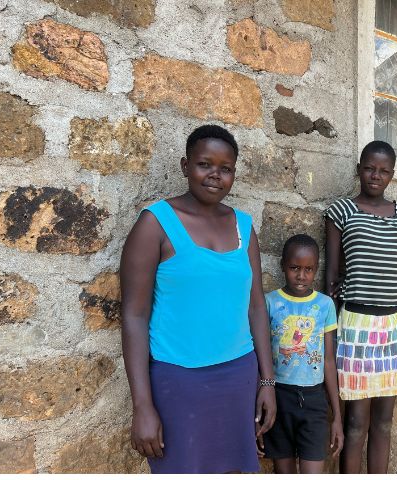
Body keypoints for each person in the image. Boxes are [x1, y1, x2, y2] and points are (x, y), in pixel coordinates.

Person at [119, 125, 276, 474]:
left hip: (239, 376)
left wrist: (267, 381)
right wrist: (142, 405)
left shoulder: (243, 228)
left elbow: (255, 308)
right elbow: (134, 315)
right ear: (184, 165)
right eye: (205, 164)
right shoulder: (154, 224)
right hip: (178, 382)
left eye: (226, 168)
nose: (215, 176)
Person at [324, 141, 397, 474]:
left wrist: (377, 273)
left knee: (384, 421)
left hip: (394, 325)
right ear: (359, 168)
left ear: (392, 174)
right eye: (369, 168)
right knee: (355, 422)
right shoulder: (342, 212)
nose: (375, 176)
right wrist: (330, 331)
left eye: (383, 171)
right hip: (356, 324)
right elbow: (332, 275)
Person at [259, 234, 344, 473]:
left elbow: (328, 361)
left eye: (308, 269)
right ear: (282, 266)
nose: (301, 276)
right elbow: (260, 357)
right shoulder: (269, 303)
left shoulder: (325, 305)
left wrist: (336, 416)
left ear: (316, 269)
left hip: (315, 401)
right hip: (278, 399)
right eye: (294, 268)